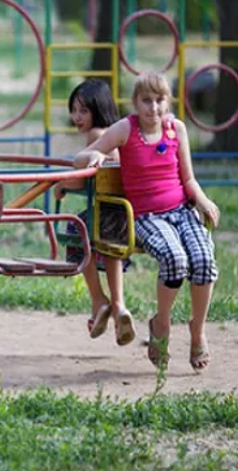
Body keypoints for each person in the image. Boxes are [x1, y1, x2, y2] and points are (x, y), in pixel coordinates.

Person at [73, 72, 220, 372]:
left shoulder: (176, 129)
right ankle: (161, 324)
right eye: (146, 101)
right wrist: (94, 156)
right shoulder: (126, 128)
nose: (153, 108)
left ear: (168, 102)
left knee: (204, 260)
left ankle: (197, 330)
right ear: (136, 102)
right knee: (175, 259)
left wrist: (203, 200)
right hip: (147, 216)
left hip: (182, 211)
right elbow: (84, 155)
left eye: (159, 100)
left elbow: (188, 179)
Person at [54, 79, 136, 346]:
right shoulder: (119, 134)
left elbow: (82, 179)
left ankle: (98, 300)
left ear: (98, 110)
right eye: (74, 110)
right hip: (125, 213)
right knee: (108, 244)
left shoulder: (96, 136)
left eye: (84, 111)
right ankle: (119, 305)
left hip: (106, 211)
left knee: (76, 228)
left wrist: (60, 185)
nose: (77, 117)